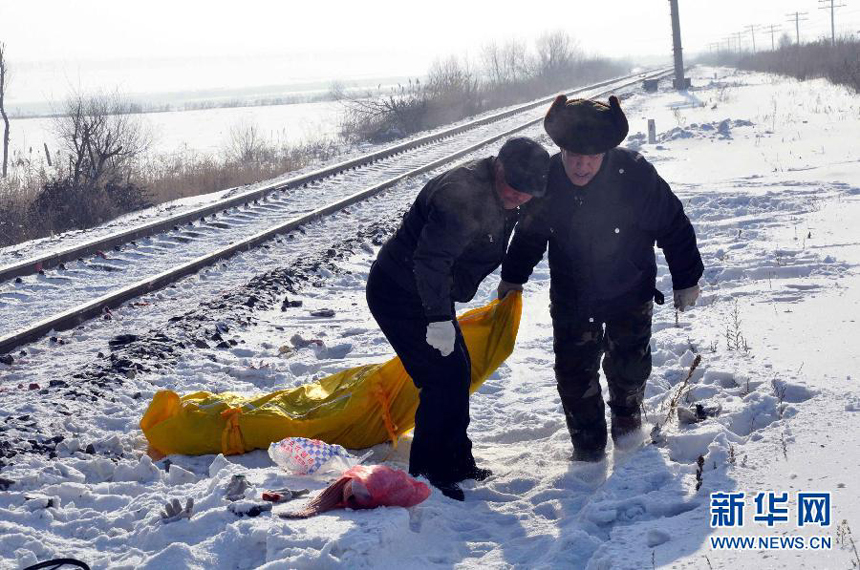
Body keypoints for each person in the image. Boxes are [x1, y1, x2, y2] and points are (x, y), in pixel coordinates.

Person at [498, 95, 703, 462]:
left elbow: (673, 224)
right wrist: (513, 277)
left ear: (606, 153)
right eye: (573, 156)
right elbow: (530, 234)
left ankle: (626, 422)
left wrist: (686, 278)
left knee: (629, 366)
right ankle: (587, 445)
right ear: (561, 149)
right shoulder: (549, 179)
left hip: (630, 287)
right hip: (573, 293)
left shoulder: (634, 174)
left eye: (591, 158)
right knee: (574, 373)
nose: (581, 165)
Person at [366, 137, 550, 499]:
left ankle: (455, 462)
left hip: (430, 292)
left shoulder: (511, 190)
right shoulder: (461, 196)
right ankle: (430, 473)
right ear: (498, 168)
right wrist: (437, 319)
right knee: (441, 378)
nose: (519, 198)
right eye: (514, 189)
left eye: (528, 193)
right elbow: (431, 262)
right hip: (400, 292)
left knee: (457, 372)